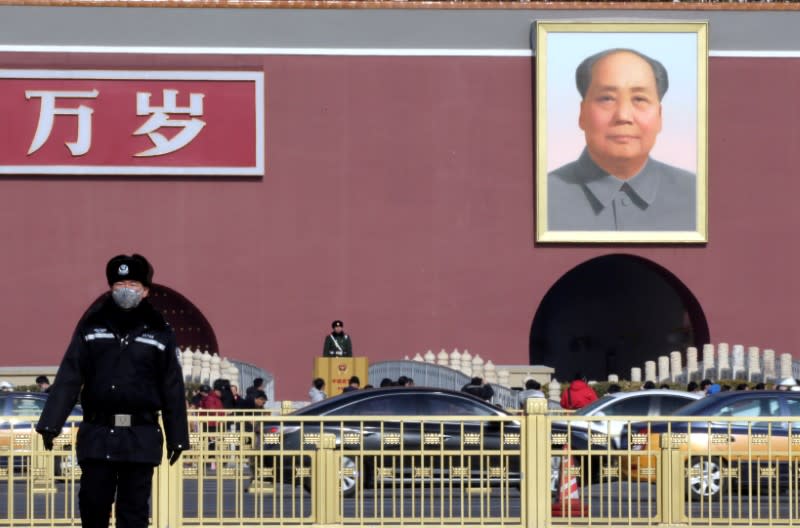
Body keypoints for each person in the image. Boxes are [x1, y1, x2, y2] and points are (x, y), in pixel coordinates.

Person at [35, 253, 189, 528]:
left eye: (132, 284)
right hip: (98, 434)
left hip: (140, 436)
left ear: (145, 291)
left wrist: (178, 437)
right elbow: (70, 375)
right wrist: (50, 423)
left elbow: (172, 387)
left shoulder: (159, 333)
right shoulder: (92, 327)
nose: (125, 290)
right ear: (110, 289)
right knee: (93, 507)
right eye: (119, 285)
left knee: (133, 513)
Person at [548, 48, 696, 232]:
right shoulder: (543, 196)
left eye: (639, 99)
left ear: (659, 116)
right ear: (582, 114)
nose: (623, 116)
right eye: (607, 98)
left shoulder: (697, 195)